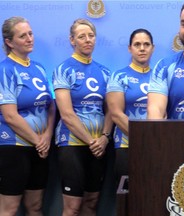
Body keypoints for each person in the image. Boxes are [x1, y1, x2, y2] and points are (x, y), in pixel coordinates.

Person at [52, 18, 113, 216]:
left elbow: (111, 110)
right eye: (81, 36)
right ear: (72, 40)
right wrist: (91, 142)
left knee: (92, 202)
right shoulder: (63, 69)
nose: (87, 40)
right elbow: (67, 114)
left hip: (99, 145)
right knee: (72, 207)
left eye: (91, 36)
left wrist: (104, 138)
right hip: (72, 144)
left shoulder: (104, 72)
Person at [0, 16, 55, 215]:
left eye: (30, 33)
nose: (30, 39)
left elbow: (51, 105)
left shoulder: (39, 68)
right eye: (23, 36)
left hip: (41, 147)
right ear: (9, 42)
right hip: (13, 147)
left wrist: (47, 136)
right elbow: (10, 116)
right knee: (10, 208)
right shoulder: (4, 71)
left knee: (35, 206)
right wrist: (37, 141)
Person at [106, 28, 155, 184]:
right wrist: (142, 137)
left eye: (146, 44)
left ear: (152, 48)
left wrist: (152, 140)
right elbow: (116, 114)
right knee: (127, 200)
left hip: (154, 146)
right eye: (137, 44)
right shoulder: (119, 76)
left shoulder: (160, 77)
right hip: (126, 145)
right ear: (130, 48)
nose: (142, 48)